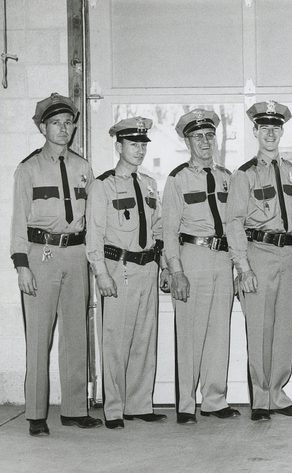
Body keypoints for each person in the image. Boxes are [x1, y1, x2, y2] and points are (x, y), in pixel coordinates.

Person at [11, 93, 103, 436]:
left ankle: (75, 409)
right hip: (41, 255)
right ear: (42, 127)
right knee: (39, 337)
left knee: (76, 335)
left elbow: (92, 220)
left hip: (76, 255)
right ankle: (36, 413)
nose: (63, 129)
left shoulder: (83, 168)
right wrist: (22, 265)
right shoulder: (29, 168)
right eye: (55, 123)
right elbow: (18, 220)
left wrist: (94, 262)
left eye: (67, 123)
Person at [227, 101, 292, 421]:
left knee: (285, 328)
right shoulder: (244, 175)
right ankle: (260, 398)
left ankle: (278, 392)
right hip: (258, 254)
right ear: (255, 132)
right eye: (265, 128)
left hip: (288, 256)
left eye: (276, 127)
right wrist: (243, 267)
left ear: (282, 131)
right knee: (260, 328)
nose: (271, 133)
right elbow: (233, 223)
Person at [85, 117, 169, 429]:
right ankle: (115, 409)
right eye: (133, 144)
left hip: (147, 268)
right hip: (118, 269)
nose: (139, 150)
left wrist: (166, 267)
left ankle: (139, 404)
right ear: (119, 146)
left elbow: (158, 228)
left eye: (143, 144)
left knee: (144, 340)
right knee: (116, 341)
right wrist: (101, 273)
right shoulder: (103, 185)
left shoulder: (148, 184)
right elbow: (93, 233)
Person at [162, 109, 239, 424]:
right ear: (187, 141)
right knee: (190, 334)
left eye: (209, 135)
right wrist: (176, 270)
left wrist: (238, 263)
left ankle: (214, 400)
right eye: (198, 137)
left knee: (219, 333)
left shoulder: (227, 177)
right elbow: (168, 230)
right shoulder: (178, 178)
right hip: (192, 257)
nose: (205, 142)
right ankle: (185, 405)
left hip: (222, 258)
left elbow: (235, 224)